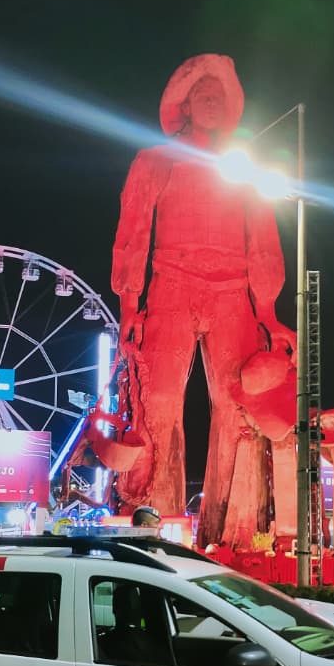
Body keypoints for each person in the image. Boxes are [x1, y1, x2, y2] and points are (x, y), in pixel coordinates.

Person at [112, 54, 293, 549]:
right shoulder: (154, 160)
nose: (211, 101)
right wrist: (130, 303)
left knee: (235, 408)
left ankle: (232, 532)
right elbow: (133, 233)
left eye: (219, 96)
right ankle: (154, 521)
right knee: (160, 403)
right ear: (186, 105)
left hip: (234, 290)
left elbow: (263, 240)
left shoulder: (244, 171)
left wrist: (269, 311)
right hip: (170, 281)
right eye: (202, 94)